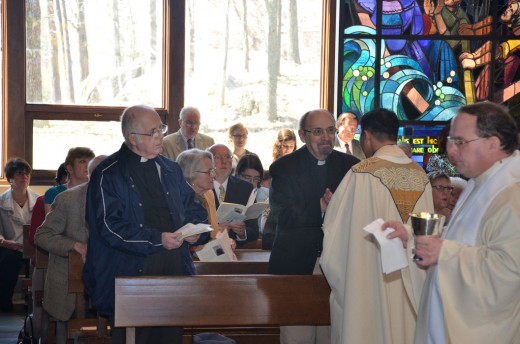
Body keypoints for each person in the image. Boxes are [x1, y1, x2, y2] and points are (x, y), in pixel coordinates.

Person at [387, 101, 520, 343]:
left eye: (460, 142)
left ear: (493, 143)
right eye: (450, 141)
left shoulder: (512, 193)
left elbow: (511, 269)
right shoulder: (481, 181)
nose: (451, 151)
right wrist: (414, 237)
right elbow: (471, 239)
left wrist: (445, 252)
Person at [82, 105, 208, 344]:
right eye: (153, 132)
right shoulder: (108, 173)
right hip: (132, 274)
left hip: (174, 270)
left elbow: (195, 210)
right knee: (136, 338)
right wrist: (157, 238)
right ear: (133, 138)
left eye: (161, 128)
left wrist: (197, 232)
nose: (161, 136)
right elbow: (109, 227)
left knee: (170, 337)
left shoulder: (170, 169)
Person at [320, 108, 434, 344]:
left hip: (370, 281)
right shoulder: (421, 176)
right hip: (412, 281)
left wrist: (330, 208)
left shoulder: (360, 174)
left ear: (367, 136)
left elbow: (336, 234)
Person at [268, 109, 359, 343]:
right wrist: (319, 206)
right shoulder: (283, 168)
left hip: (338, 266)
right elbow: (281, 214)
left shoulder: (352, 167)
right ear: (302, 135)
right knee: (297, 337)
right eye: (318, 132)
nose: (326, 137)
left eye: (330, 130)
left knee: (332, 336)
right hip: (296, 264)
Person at [34, 155, 106, 344]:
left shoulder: (125, 199)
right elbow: (42, 235)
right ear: (93, 175)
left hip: (107, 284)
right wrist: (75, 245)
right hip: (69, 286)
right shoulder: (68, 199)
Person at [0, 158, 39, 312]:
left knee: (39, 262)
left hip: (33, 246)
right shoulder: (1, 202)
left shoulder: (38, 200)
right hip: (10, 246)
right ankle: (4, 304)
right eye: (19, 174)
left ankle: (35, 307)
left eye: (27, 174)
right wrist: (5, 242)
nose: (24, 177)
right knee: (8, 260)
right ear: (10, 178)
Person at [209, 144, 259, 245]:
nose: (224, 162)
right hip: (206, 251)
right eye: (218, 157)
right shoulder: (201, 188)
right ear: (208, 162)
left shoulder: (246, 188)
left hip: (237, 252)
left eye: (227, 157)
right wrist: (216, 229)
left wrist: (242, 233)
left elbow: (254, 230)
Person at [43, 147, 95, 213]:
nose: (88, 165)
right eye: (82, 161)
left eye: (91, 162)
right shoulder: (54, 193)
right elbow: (53, 222)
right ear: (70, 168)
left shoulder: (98, 191)